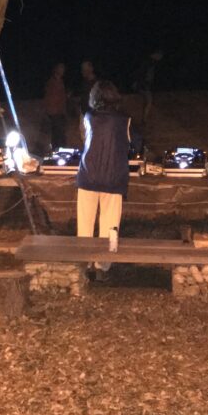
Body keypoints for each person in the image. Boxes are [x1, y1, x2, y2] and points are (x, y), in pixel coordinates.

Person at [75, 80, 132, 278]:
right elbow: (129, 143)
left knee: (85, 222)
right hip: (113, 177)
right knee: (110, 223)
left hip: (88, 175)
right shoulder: (125, 120)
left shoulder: (88, 117)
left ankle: (85, 263)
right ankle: (103, 266)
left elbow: (85, 141)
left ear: (94, 97)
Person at [132, 49, 163, 129]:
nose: (160, 58)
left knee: (147, 101)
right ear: (156, 54)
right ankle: (143, 120)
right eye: (159, 56)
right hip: (143, 85)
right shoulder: (148, 62)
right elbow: (142, 73)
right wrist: (139, 83)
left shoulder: (150, 62)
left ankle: (143, 119)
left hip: (145, 84)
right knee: (148, 101)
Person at [43, 62, 68, 150]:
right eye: (61, 68)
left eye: (63, 68)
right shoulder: (52, 82)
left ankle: (61, 151)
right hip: (54, 113)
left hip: (60, 112)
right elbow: (50, 97)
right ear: (56, 69)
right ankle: (57, 152)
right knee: (57, 135)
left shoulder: (60, 81)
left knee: (60, 135)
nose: (62, 70)